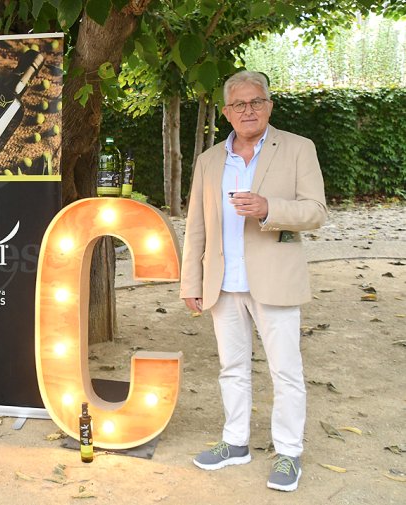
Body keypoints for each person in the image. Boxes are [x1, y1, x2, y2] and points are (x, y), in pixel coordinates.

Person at [180, 70, 327, 492]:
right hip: (222, 282)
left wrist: (268, 208)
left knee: (286, 371)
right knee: (231, 367)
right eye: (240, 104)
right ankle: (235, 441)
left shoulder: (298, 148)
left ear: (269, 106)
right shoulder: (209, 160)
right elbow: (196, 227)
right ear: (226, 112)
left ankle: (288, 452)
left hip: (275, 279)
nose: (249, 110)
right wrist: (191, 281)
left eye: (256, 102)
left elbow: (316, 211)